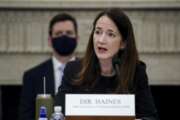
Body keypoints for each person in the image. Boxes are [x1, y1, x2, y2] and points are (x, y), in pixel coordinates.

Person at [55, 8, 159, 120]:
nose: (101, 40)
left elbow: (150, 117)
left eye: (110, 34)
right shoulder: (73, 70)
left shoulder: (136, 72)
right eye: (98, 32)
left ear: (123, 43)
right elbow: (58, 113)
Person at [19, 13, 78, 120]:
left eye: (69, 33)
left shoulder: (90, 72)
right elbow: (25, 116)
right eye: (58, 33)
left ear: (77, 38)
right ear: (50, 40)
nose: (64, 37)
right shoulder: (32, 76)